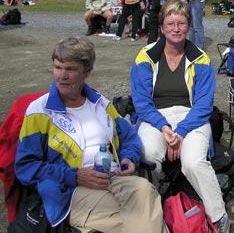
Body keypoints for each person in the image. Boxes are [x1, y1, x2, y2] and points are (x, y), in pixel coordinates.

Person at [15, 36, 167, 232]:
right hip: (70, 190)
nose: (62, 76)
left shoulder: (100, 104)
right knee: (146, 217)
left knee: (144, 190)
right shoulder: (40, 112)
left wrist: (129, 157)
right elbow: (26, 167)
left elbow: (129, 136)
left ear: (86, 72)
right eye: (57, 67)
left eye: (70, 69)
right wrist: (75, 176)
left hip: (114, 178)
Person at [130, 0, 230, 233]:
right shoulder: (145, 57)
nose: (176, 28)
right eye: (170, 23)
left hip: (191, 117)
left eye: (181, 23)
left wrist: (181, 133)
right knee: (148, 155)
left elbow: (204, 105)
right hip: (155, 116)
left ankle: (219, 216)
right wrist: (165, 128)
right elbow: (142, 103)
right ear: (162, 27)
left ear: (188, 26)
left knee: (194, 162)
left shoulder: (201, 58)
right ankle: (151, 211)